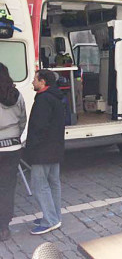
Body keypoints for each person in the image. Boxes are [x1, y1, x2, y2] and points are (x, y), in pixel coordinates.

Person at [25, 69, 65, 235]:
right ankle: (55, 215)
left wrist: (30, 147)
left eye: (35, 79)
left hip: (43, 150)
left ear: (43, 82)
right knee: (53, 183)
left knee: (40, 185)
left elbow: (38, 127)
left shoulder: (43, 100)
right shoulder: (56, 97)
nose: (32, 82)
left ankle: (50, 220)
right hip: (55, 147)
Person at [0, 63, 27, 241]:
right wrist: (16, 136)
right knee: (7, 188)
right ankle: (3, 228)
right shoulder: (16, 95)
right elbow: (23, 119)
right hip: (13, 148)